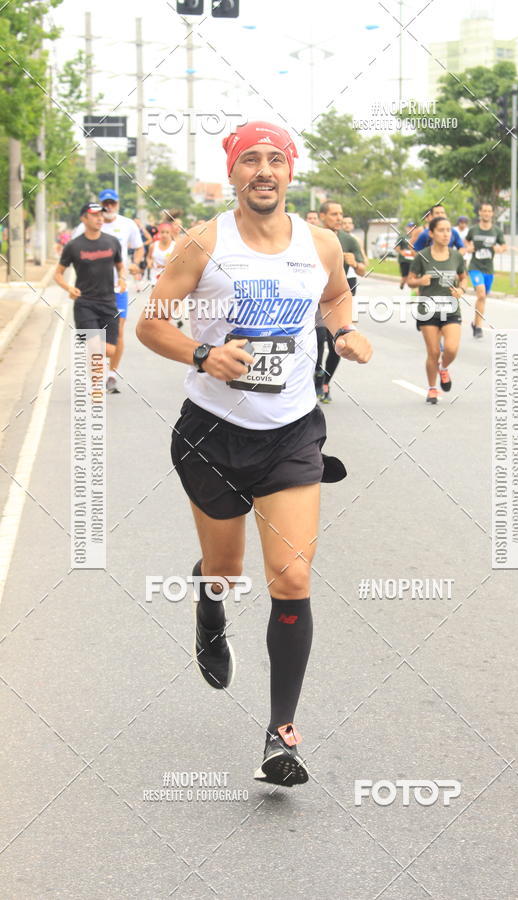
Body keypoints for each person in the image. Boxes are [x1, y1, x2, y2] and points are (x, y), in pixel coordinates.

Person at [136, 121, 372, 787]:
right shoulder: (204, 243)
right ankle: (210, 604)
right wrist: (204, 354)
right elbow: (150, 321)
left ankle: (281, 735)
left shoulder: (320, 243)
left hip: (293, 432)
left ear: (291, 171)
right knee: (227, 570)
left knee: (292, 579)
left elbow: (334, 295)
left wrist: (346, 329)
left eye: (275, 159)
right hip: (213, 432)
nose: (263, 170)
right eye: (250, 160)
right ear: (234, 173)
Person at [72, 189, 144, 392]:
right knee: (93, 337)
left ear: (118, 204)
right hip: (91, 290)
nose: (109, 207)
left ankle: (111, 374)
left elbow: (138, 247)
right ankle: (96, 376)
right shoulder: (85, 227)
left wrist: (135, 262)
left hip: (117, 289)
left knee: (118, 333)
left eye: (113, 203)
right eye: (106, 204)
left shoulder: (127, 224)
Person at [54, 202, 126, 380]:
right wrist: (69, 287)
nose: (100, 218)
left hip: (108, 302)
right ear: (83, 218)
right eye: (94, 215)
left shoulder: (112, 242)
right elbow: (58, 274)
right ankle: (96, 387)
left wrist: (123, 279)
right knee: (95, 347)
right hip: (85, 303)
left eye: (101, 214)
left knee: (110, 350)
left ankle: (93, 359)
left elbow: (120, 267)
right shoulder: (73, 246)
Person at [407, 216, 467, 404]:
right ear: (431, 233)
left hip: (451, 310)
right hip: (428, 311)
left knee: (451, 348)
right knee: (433, 352)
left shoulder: (456, 256)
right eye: (441, 230)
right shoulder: (422, 256)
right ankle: (432, 389)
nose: (446, 234)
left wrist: (461, 289)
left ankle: (444, 367)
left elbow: (463, 277)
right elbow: (410, 280)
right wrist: (419, 281)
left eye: (448, 230)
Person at [316, 201, 366, 403]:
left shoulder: (348, 240)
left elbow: (363, 269)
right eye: (334, 214)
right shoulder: (312, 238)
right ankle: (317, 377)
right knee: (317, 343)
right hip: (314, 301)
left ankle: (326, 380)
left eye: (341, 214)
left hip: (337, 300)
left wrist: (355, 263)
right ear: (322, 216)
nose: (339, 218)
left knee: (339, 342)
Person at [464, 202, 506, 339]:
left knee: (482, 299)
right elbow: (466, 241)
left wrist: (500, 249)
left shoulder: (496, 231)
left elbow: (504, 246)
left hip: (488, 269)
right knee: (481, 295)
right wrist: (469, 247)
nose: (487, 213)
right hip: (475, 267)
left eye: (489, 211)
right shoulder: (474, 230)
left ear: (492, 214)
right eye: (484, 211)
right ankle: (479, 328)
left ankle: (475, 324)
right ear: (480, 213)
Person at [395, 221, 418, 289]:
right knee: (405, 276)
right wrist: (401, 252)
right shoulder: (402, 237)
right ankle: (402, 283)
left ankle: (412, 287)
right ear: (407, 228)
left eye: (413, 227)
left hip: (414, 260)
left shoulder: (417, 237)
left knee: (413, 275)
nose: (411, 229)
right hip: (404, 260)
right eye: (410, 227)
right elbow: (397, 247)